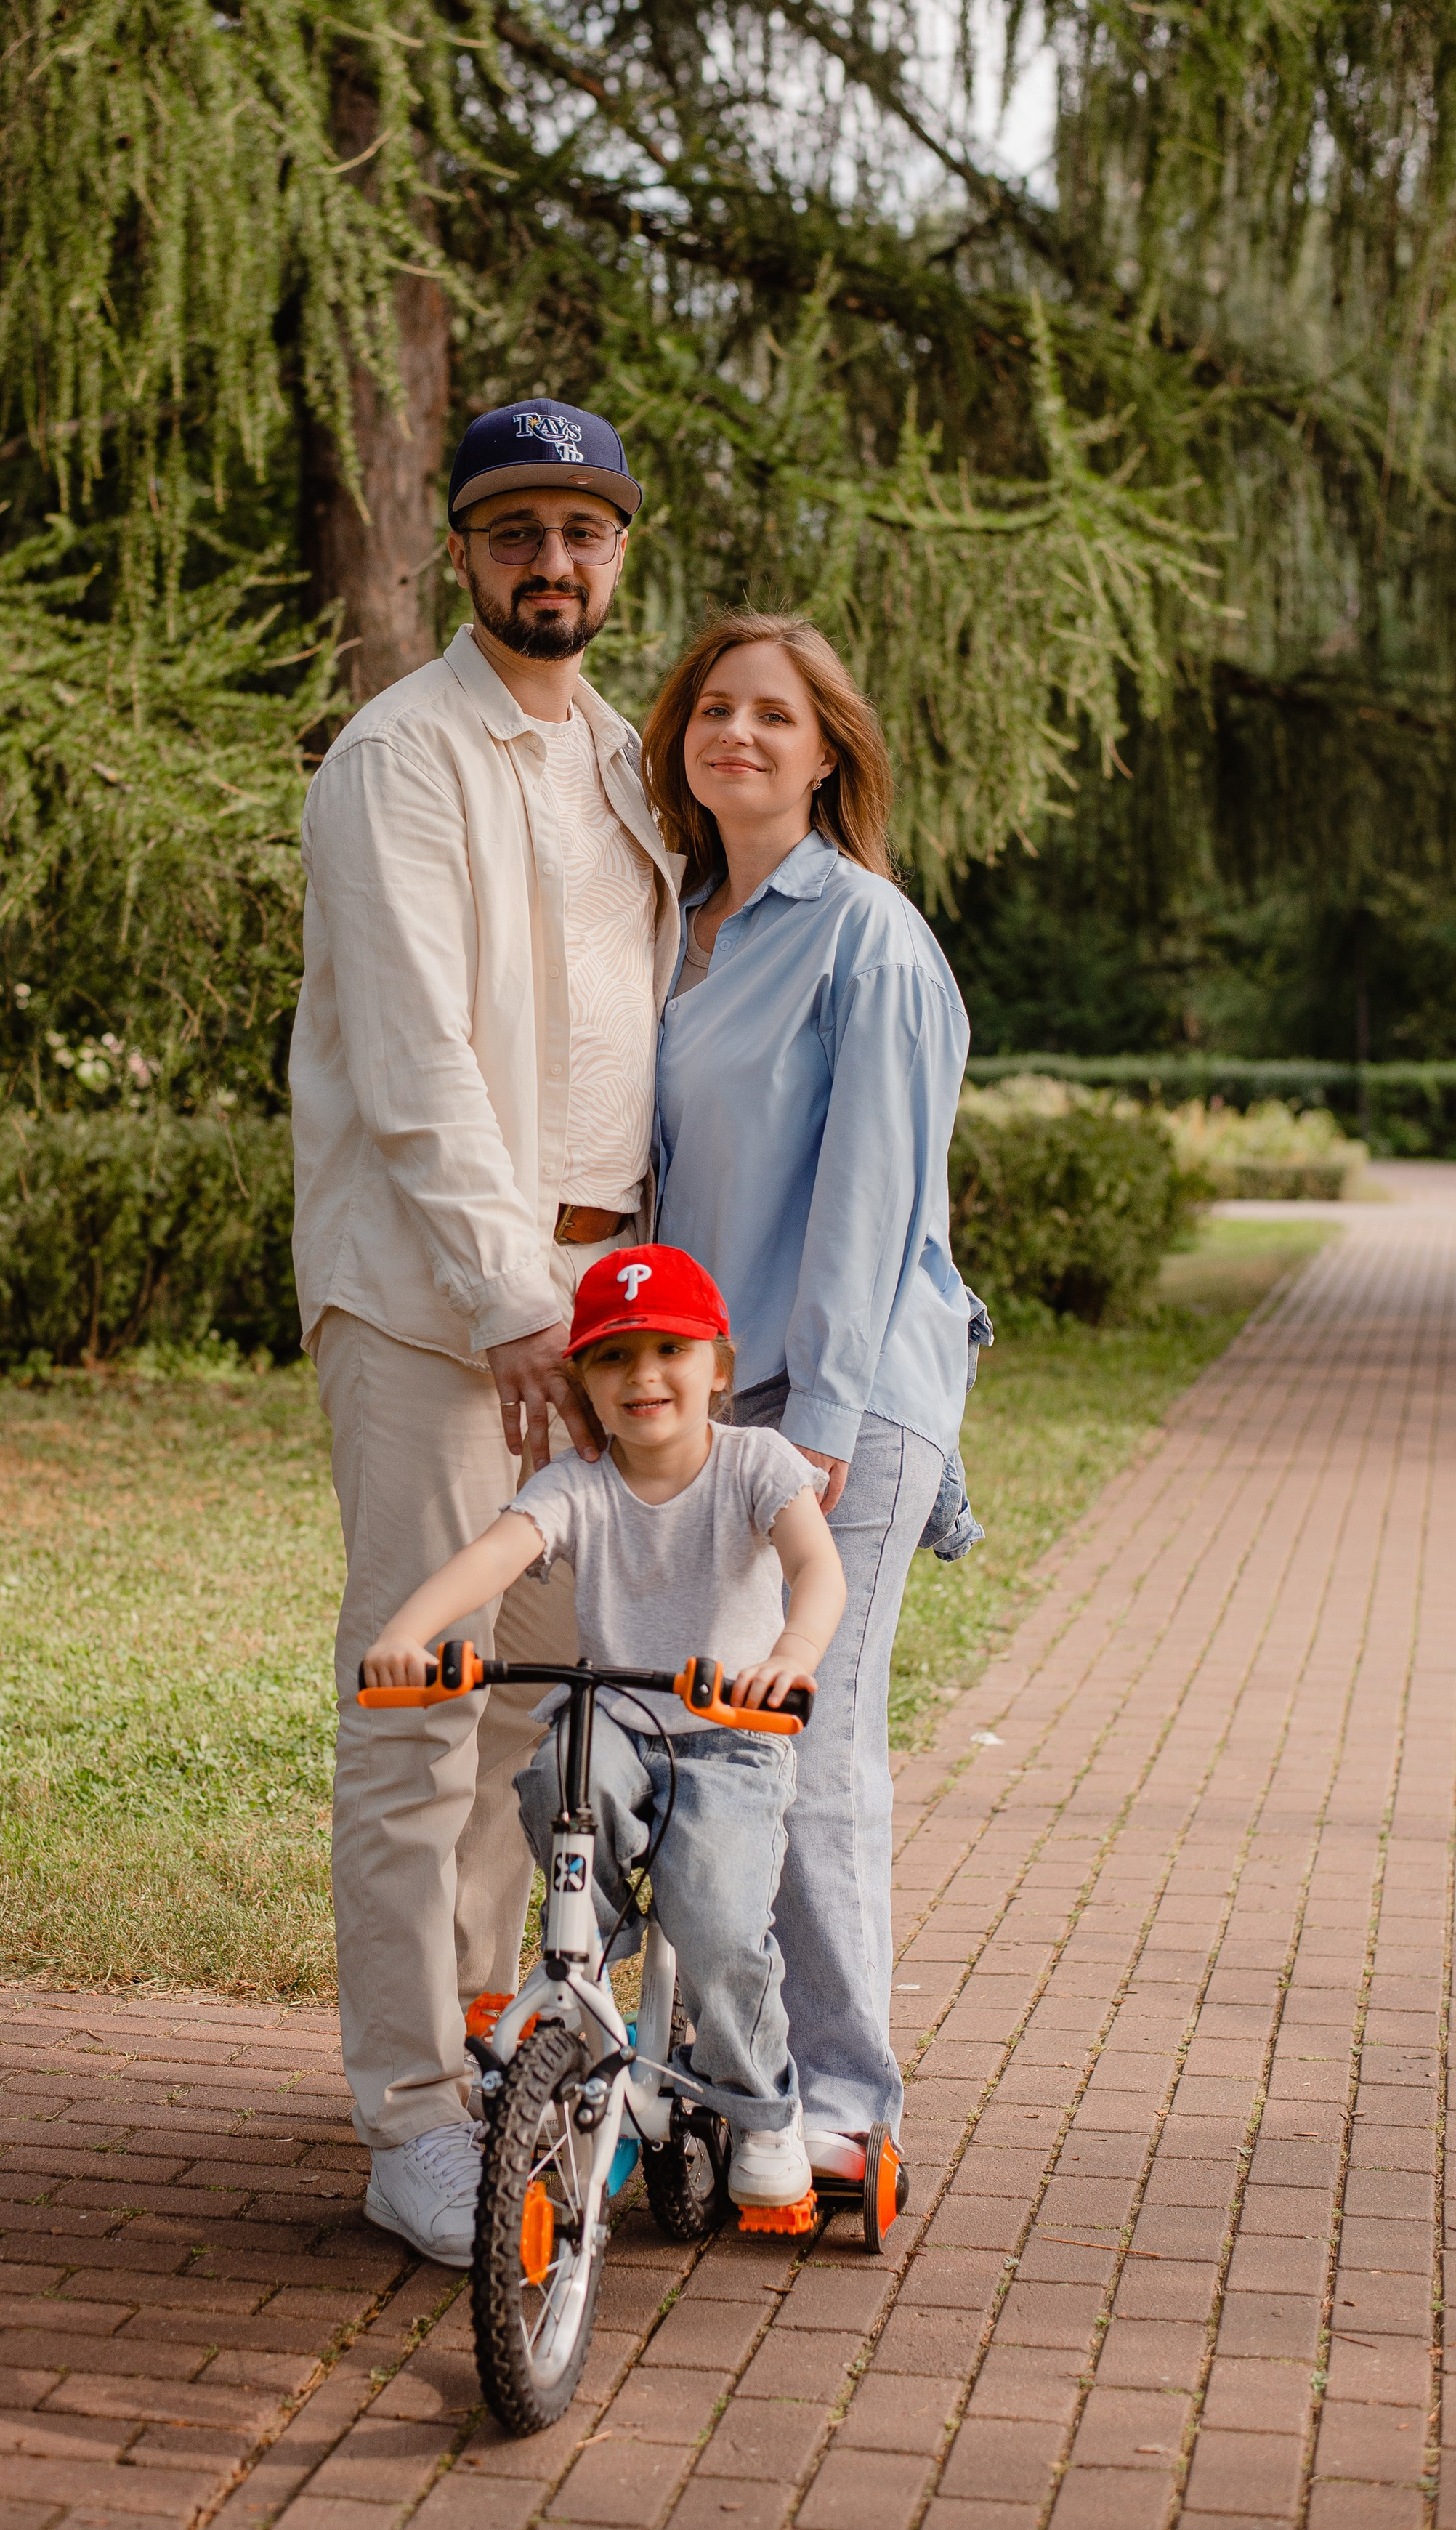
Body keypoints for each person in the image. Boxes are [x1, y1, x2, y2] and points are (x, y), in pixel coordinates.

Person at [289, 400, 682, 2268]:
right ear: (461, 549)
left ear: (619, 551)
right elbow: (420, 1060)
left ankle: (483, 2050)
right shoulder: (399, 756)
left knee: (541, 1712)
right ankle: (404, 2129)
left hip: (596, 1326)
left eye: (583, 533)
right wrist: (518, 1298)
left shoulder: (621, 758)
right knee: (417, 1702)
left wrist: (611, 1321)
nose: (553, 563)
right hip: (447, 1312)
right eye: (516, 529)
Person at [642, 610, 974, 2190]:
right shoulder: (683, 920)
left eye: (775, 715)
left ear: (827, 747)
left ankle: (846, 2098)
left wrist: (819, 1427)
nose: (740, 735)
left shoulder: (865, 935)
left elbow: (867, 1202)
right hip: (713, 1400)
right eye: (714, 709)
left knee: (811, 1742)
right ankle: (722, 2072)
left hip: (840, 1404)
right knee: (704, 1744)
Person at [360, 1243, 845, 2204]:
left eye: (670, 1350)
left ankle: (761, 2107)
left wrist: (791, 1656)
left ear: (719, 1367)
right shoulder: (577, 1481)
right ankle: (593, 1959)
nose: (645, 1376)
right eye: (615, 1357)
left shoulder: (755, 1462)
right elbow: (494, 1556)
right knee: (549, 1778)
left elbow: (819, 1570)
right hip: (616, 1721)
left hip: (728, 1737)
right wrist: (408, 1633)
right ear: (582, 1378)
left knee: (716, 1921)